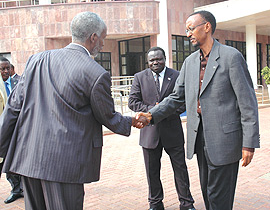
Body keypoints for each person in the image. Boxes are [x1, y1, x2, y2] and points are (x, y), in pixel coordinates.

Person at [0, 11, 147, 210]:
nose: (103, 44)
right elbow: (107, 116)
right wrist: (131, 121)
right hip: (65, 166)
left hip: (29, 159)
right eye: (103, 38)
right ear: (93, 37)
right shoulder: (95, 73)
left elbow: (13, 107)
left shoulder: (37, 60)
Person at [137, 10, 260, 210]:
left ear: (207, 26)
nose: (188, 34)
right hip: (200, 138)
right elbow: (176, 98)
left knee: (219, 198)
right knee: (207, 193)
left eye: (191, 28)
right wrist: (151, 115)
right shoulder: (190, 62)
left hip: (226, 140)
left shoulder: (231, 57)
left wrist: (249, 143)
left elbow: (248, 103)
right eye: (186, 30)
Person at [128, 47, 195, 210]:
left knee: (180, 170)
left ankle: (186, 203)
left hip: (172, 131)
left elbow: (184, 101)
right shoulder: (139, 77)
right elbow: (133, 102)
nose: (155, 62)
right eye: (152, 60)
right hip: (149, 134)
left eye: (158, 59)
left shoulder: (177, 76)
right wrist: (152, 110)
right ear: (148, 62)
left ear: (165, 58)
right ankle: (155, 203)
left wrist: (163, 112)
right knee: (152, 172)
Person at [0, 57, 23, 204]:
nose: (6, 71)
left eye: (8, 68)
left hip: (16, 130)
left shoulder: (18, 82)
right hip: (2, 131)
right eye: (2, 69)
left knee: (14, 163)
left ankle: (17, 189)